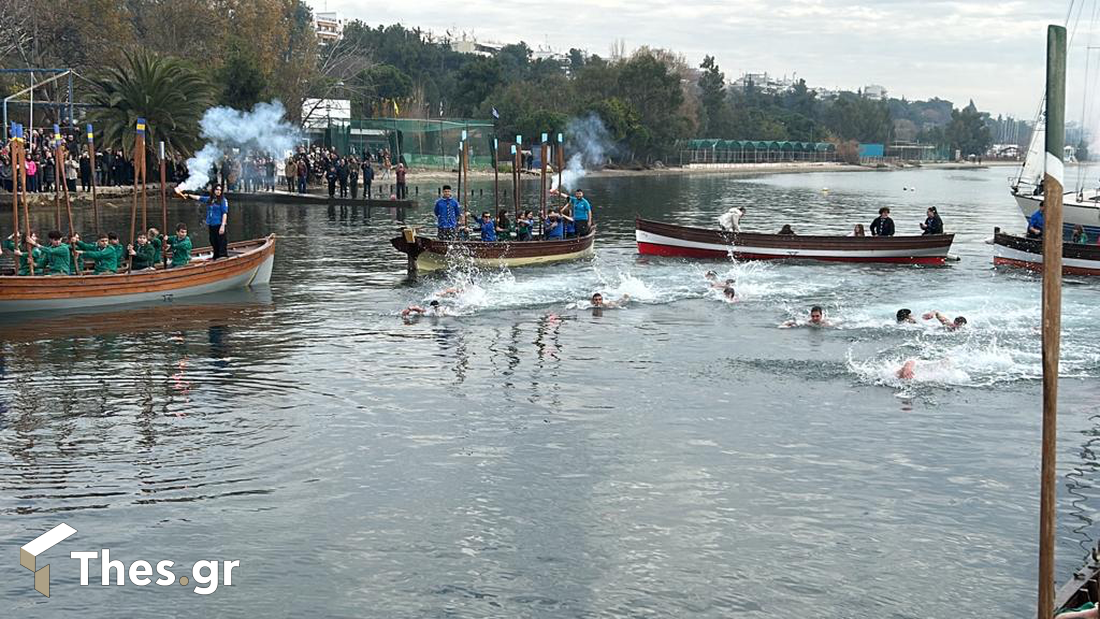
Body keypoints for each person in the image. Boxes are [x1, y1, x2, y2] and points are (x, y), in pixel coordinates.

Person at [175, 184, 229, 260]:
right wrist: (189, 195)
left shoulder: (223, 200)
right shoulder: (210, 199)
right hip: (211, 224)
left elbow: (224, 213)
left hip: (219, 224)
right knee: (213, 240)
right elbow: (199, 198)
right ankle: (216, 256)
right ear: (213, 190)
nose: (218, 191)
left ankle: (223, 256)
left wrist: (223, 225)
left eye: (220, 190)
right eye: (217, 189)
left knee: (221, 241)